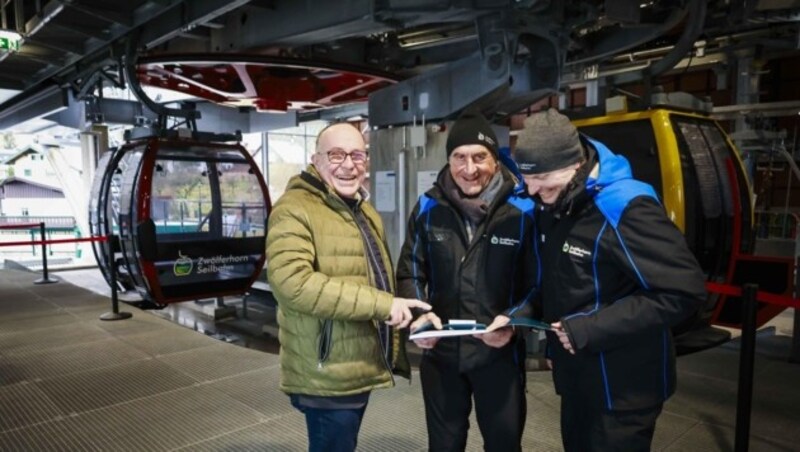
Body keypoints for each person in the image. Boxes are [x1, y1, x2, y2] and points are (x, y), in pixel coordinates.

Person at [512, 109, 706, 451]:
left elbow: (683, 292)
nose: (531, 189)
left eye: (540, 177)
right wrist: (521, 314)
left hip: (623, 389)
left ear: (573, 165)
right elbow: (558, 281)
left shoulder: (625, 206)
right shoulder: (555, 202)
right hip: (577, 378)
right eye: (527, 177)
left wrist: (589, 330)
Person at [266, 122, 431, 452]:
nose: (348, 164)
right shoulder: (294, 208)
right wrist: (383, 305)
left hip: (353, 365)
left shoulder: (362, 209)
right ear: (316, 159)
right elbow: (292, 283)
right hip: (327, 370)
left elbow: (372, 276)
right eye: (336, 154)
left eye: (357, 154)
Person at [396, 111, 537, 451]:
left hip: (499, 358)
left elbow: (540, 282)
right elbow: (411, 270)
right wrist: (419, 318)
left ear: (495, 158)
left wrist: (515, 322)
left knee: (503, 445)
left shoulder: (523, 209)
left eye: (479, 157)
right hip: (442, 355)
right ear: (449, 160)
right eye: (459, 157)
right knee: (444, 445)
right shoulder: (429, 206)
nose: (469, 169)